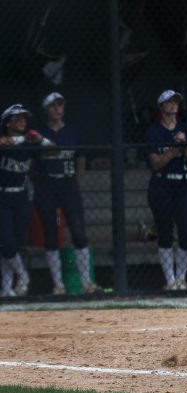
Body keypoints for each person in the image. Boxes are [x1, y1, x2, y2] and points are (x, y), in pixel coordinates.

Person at [33, 92, 100, 295]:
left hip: (69, 187)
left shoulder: (73, 133)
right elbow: (33, 165)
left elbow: (81, 160)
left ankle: (87, 282)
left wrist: (74, 178)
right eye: (53, 106)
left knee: (79, 234)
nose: (57, 109)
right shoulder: (39, 134)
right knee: (51, 237)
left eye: (60, 105)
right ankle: (58, 285)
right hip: (47, 188)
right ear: (46, 109)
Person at [145, 90, 187, 290]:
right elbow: (156, 163)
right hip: (162, 185)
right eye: (169, 102)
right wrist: (173, 150)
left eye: (176, 101)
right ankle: (170, 280)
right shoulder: (153, 132)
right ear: (161, 106)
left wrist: (184, 147)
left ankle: (181, 278)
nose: (173, 104)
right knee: (165, 231)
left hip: (182, 184)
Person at [0, 104, 53, 297]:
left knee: (13, 244)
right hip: (2, 197)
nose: (23, 121)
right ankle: (22, 275)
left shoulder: (29, 145)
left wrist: (41, 139)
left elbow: (54, 151)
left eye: (24, 118)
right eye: (18, 118)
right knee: (7, 243)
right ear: (8, 123)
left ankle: (6, 289)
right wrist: (24, 137)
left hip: (21, 196)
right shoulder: (8, 140)